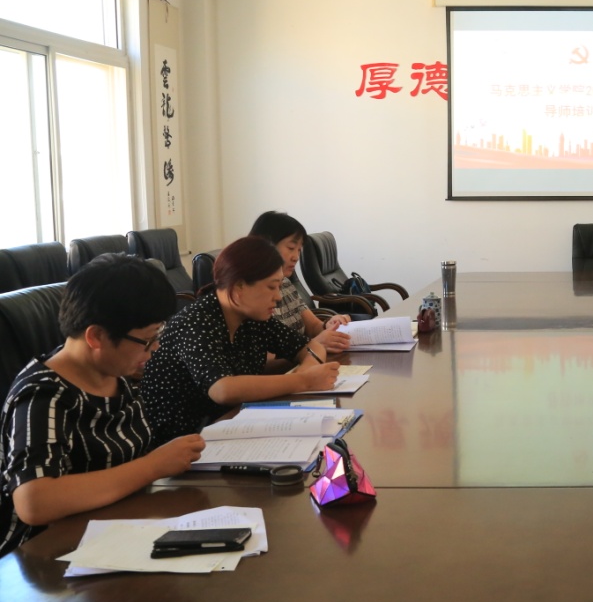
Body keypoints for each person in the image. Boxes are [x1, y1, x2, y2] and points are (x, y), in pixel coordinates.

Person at [1, 254, 206, 557]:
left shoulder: (115, 374)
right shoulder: (44, 396)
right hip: (48, 557)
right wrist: (153, 466)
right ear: (96, 336)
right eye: (147, 340)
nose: (155, 349)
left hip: (116, 531)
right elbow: (34, 502)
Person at [140, 235, 341, 439]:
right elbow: (222, 389)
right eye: (271, 287)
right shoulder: (197, 321)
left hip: (230, 424)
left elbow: (312, 346)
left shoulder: (252, 317)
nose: (278, 296)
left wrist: (306, 371)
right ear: (238, 288)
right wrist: (302, 381)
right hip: (180, 440)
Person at [249, 210, 352, 353]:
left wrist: (329, 325)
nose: (296, 257)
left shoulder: (285, 282)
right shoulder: (250, 294)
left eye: (299, 250)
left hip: (306, 360)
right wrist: (312, 346)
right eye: (291, 248)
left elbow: (313, 327)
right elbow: (263, 358)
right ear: (266, 245)